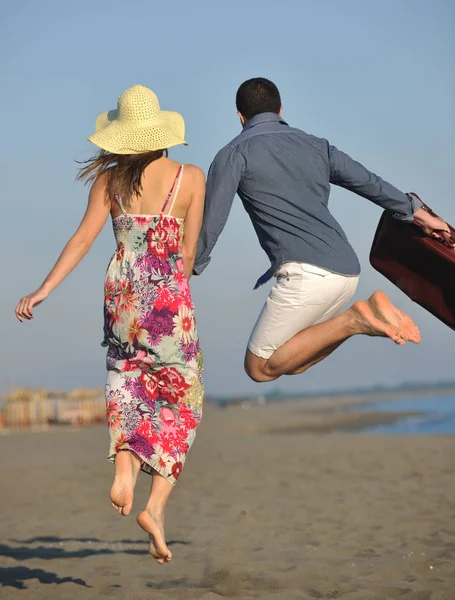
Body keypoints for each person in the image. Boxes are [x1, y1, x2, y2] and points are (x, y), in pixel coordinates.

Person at [15, 85, 205, 564]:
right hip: (166, 293)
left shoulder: (110, 182)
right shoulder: (190, 177)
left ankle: (124, 469)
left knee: (127, 384)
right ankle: (155, 507)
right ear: (161, 133)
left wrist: (43, 289)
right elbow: (189, 254)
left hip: (122, 293)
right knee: (183, 400)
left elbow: (82, 240)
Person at [194, 77, 451, 383]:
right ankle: (357, 318)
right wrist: (419, 214)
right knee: (295, 361)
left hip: (306, 275)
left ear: (240, 116)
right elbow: (370, 183)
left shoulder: (234, 153)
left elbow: (212, 221)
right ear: (280, 109)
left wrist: (192, 265)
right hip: (346, 273)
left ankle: (357, 319)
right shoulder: (317, 146)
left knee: (259, 368)